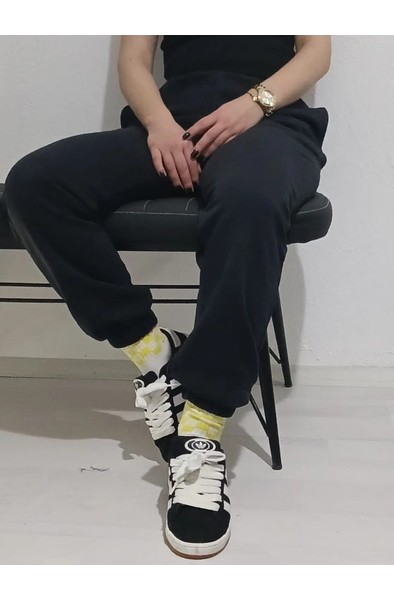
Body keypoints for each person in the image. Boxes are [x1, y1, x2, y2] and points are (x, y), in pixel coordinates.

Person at [3, 35, 331, 559]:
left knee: (250, 201)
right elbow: (133, 61)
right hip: (173, 128)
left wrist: (254, 104)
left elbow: (317, 52)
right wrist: (159, 124)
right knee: (35, 184)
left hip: (269, 126)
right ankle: (152, 351)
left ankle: (201, 428)